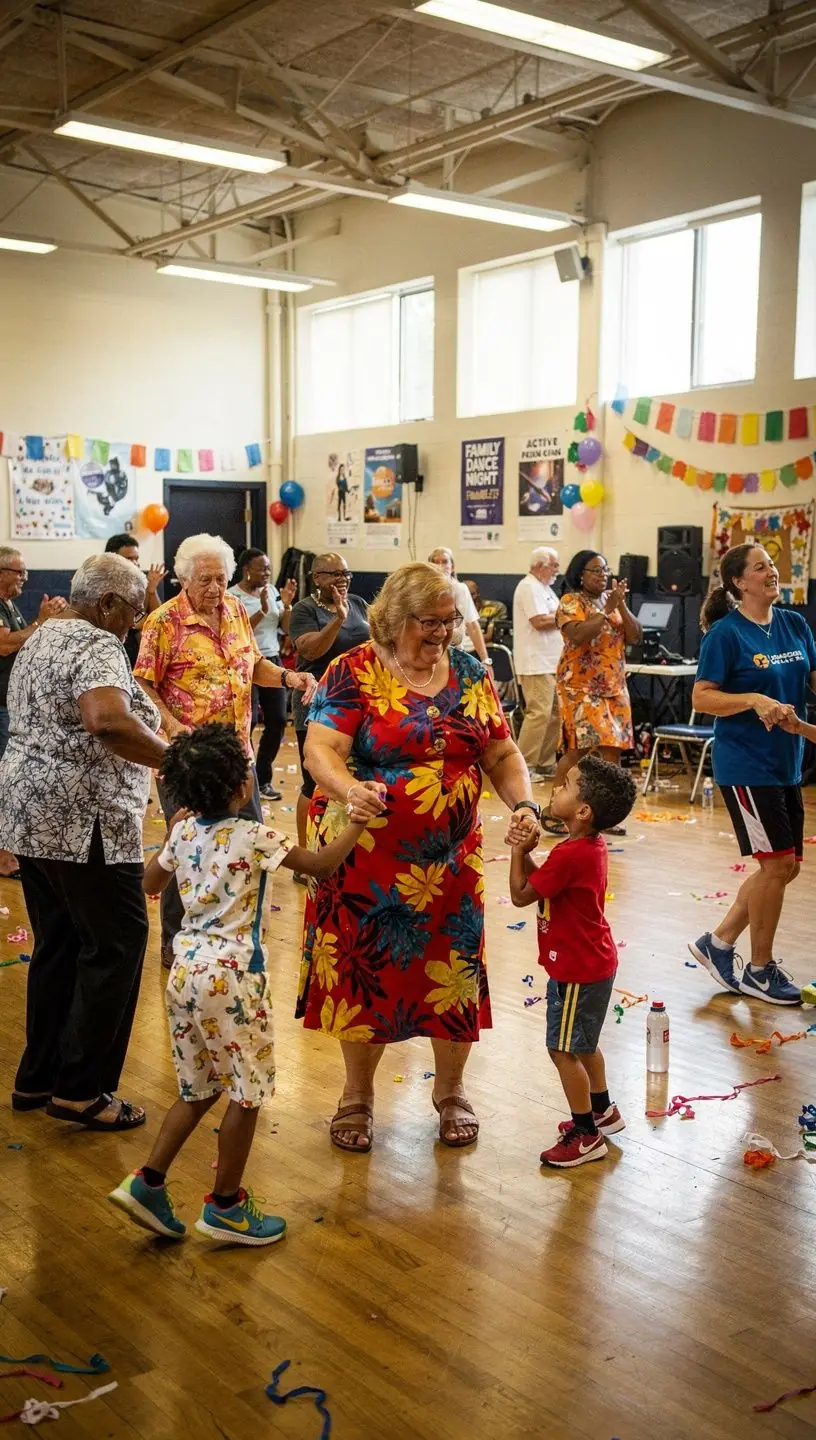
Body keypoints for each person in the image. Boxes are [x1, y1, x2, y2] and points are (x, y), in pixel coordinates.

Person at [298, 562, 541, 1153]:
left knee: (452, 971)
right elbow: (319, 751)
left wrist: (525, 804)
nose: (442, 632)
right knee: (366, 971)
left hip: (450, 862)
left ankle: (451, 1091)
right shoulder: (353, 670)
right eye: (428, 622)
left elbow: (502, 753)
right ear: (392, 618)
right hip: (366, 857)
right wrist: (347, 790)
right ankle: (357, 1096)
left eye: (448, 620)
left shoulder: (469, 671)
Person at [109, 724, 365, 1246]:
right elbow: (321, 866)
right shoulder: (255, 836)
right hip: (233, 981)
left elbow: (150, 883)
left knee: (198, 1088)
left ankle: (148, 1182)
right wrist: (357, 822)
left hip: (185, 973)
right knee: (247, 1096)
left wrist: (172, 834)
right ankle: (225, 1207)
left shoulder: (183, 830)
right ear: (243, 787)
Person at [0, 554, 166, 1128]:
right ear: (108, 604)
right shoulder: (97, 643)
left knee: (60, 943)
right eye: (133, 613)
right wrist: (179, 762)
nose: (134, 624)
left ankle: (38, 1079)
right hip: (83, 821)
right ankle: (80, 1090)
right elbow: (108, 721)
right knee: (117, 943)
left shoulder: (43, 634)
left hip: (30, 816)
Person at [135, 533, 315, 968]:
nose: (215, 588)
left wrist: (288, 677)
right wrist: (171, 723)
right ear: (184, 579)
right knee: (186, 846)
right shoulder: (164, 621)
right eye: (205, 580)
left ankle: (239, 931)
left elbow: (253, 665)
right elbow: (142, 683)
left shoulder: (235, 610)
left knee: (248, 842)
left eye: (220, 578)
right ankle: (176, 939)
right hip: (188, 761)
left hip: (238, 757)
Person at [688, 543, 815, 1006]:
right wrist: (753, 700)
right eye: (761, 567)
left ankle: (718, 942)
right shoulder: (726, 635)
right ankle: (760, 970)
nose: (772, 571)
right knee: (776, 866)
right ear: (740, 582)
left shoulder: (794, 624)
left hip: (787, 762)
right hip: (745, 765)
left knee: (787, 867)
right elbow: (702, 697)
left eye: (773, 565)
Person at [510, 755, 637, 1168]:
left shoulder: (570, 855)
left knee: (562, 1050)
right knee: (584, 1044)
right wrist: (528, 854)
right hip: (594, 962)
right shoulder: (586, 847)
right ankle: (602, 1110)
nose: (555, 788)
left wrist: (517, 851)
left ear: (583, 811)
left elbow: (521, 894)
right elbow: (543, 884)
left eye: (566, 785)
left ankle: (585, 1134)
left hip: (576, 970)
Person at [288, 553, 370, 882]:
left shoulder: (358, 603)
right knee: (314, 782)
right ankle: (306, 860)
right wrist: (338, 618)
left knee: (347, 777)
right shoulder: (304, 610)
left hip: (356, 704)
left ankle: (339, 853)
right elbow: (310, 650)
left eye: (346, 573)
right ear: (316, 578)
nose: (342, 579)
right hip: (316, 703)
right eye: (334, 574)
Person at [0, 545, 67, 878]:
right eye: (19, 572)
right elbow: (4, 645)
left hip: (9, 705)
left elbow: (25, 642)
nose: (24, 578)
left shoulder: (9, 604)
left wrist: (46, 622)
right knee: (4, 782)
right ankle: (3, 858)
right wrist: (41, 621)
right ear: (1, 573)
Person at [553, 550, 642, 791]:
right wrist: (606, 610)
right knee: (578, 750)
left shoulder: (611, 601)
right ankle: (556, 804)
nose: (603, 575)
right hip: (580, 687)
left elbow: (635, 636)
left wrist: (620, 605)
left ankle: (608, 807)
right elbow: (579, 635)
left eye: (605, 569)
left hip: (615, 686)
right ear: (580, 575)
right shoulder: (571, 602)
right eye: (596, 570)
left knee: (613, 748)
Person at [228, 549, 297, 801]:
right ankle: (242, 779)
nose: (267, 573)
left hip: (272, 660)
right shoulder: (232, 596)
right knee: (249, 721)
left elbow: (286, 628)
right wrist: (264, 609)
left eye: (269, 568)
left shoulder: (273, 591)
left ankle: (263, 778)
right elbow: (238, 631)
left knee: (277, 720)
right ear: (247, 570)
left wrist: (286, 605)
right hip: (245, 663)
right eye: (262, 569)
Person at [512, 547, 563, 783]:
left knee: (554, 714)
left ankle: (545, 762)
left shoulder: (545, 589)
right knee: (539, 713)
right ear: (540, 566)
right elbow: (539, 621)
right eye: (554, 565)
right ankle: (524, 764)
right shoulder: (528, 586)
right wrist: (567, 617)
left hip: (551, 661)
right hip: (535, 662)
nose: (557, 570)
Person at [104, 533, 166, 668]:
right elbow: (129, 623)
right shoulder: (102, 586)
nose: (135, 563)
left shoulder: (140, 583)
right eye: (129, 559)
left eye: (136, 559)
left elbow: (160, 620)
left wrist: (151, 589)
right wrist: (143, 621)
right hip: (112, 652)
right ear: (112, 560)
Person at [428, 547, 489, 663]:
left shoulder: (461, 589)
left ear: (452, 566)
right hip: (431, 653)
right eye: (435, 562)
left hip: (456, 653)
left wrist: (485, 660)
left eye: (445, 561)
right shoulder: (423, 591)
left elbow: (473, 626)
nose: (440, 566)